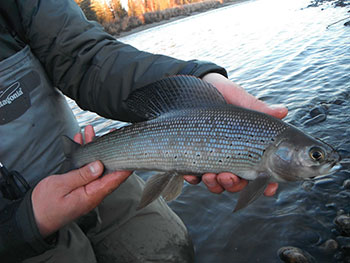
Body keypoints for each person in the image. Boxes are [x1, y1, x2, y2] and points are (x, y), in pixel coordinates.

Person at [0, 0, 287, 262]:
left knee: (168, 247)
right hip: (13, 230)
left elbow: (84, 57)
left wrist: (198, 83)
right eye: (314, 156)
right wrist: (22, 226)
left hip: (91, 167)